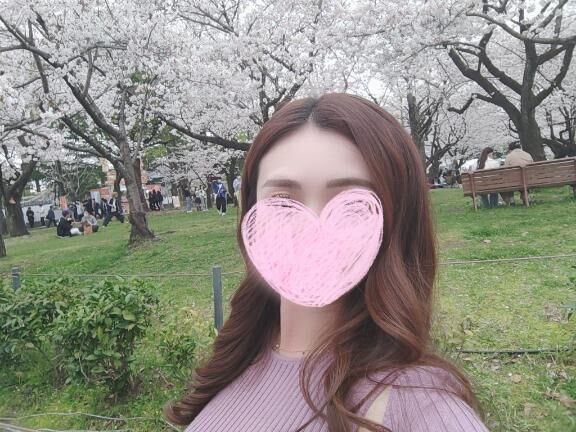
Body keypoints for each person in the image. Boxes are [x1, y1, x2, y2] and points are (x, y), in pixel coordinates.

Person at [165, 94, 488, 432]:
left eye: (352, 204)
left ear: (397, 222)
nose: (312, 229)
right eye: (283, 200)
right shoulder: (236, 360)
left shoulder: (418, 403)